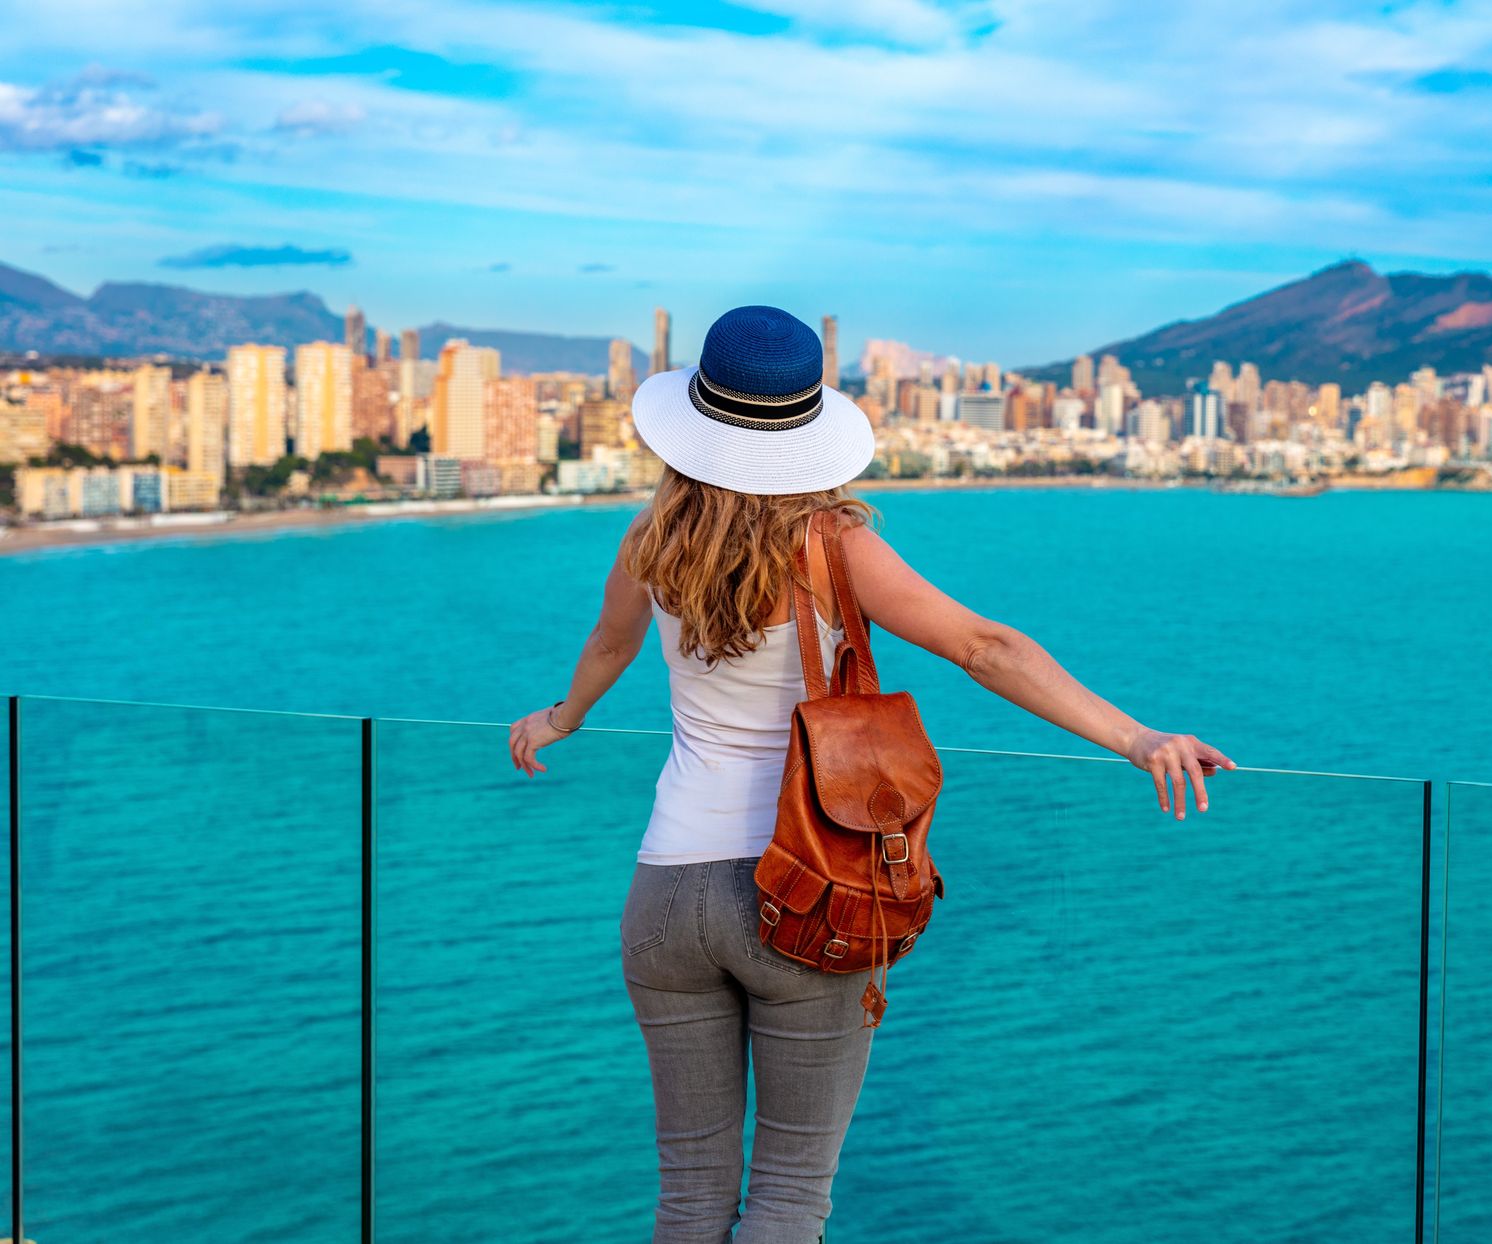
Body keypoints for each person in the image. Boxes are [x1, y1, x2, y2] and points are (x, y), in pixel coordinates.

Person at [507, 305, 1233, 1244]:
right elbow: (983, 646)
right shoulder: (831, 546)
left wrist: (559, 719)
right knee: (790, 1196)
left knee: (689, 1195)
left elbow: (609, 644)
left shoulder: (652, 540)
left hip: (664, 900)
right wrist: (1135, 737)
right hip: (803, 901)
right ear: (807, 431)